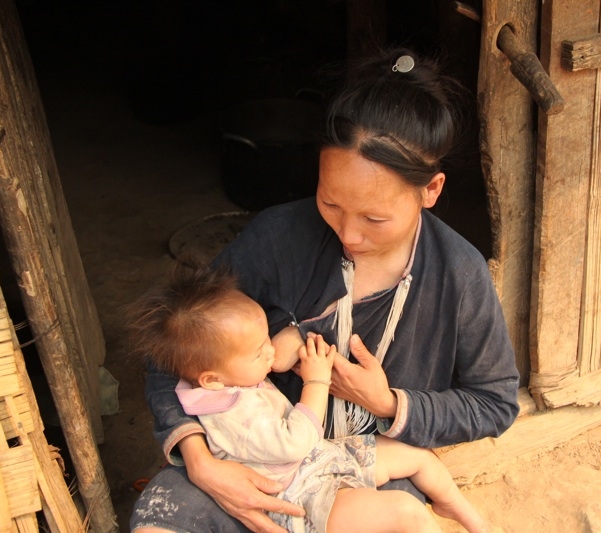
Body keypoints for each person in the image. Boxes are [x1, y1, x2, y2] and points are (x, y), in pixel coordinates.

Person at [131, 47, 520, 533]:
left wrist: (390, 403)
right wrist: (199, 459)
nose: (349, 234)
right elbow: (169, 355)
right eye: (330, 203)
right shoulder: (277, 237)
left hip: (364, 471)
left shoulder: (459, 272)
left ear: (431, 190)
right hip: (250, 462)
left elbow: (494, 403)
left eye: (374, 218)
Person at [126, 264, 489, 532]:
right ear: (212, 379)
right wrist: (316, 380)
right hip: (302, 493)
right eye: (258, 352)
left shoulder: (219, 381)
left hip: (320, 460)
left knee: (416, 456)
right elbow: (296, 442)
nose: (270, 351)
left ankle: (461, 511)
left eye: (265, 340)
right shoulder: (233, 414)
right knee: (406, 512)